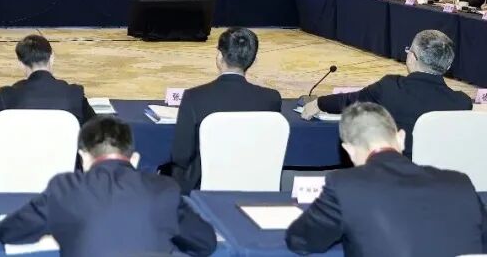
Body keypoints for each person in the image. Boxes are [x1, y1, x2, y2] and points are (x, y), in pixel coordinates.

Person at [286, 102, 487, 256]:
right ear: (401, 138)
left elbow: (300, 240)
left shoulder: (344, 186)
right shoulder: (459, 183)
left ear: (349, 150)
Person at [0, 117, 217, 257]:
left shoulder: (65, 189)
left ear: (83, 157)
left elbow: (9, 232)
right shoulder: (165, 190)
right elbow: (205, 243)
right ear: (134, 159)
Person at [300, 29, 472, 154]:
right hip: (438, 181)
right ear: (447, 66)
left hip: (392, 177)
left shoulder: (390, 87)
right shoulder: (462, 103)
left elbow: (350, 101)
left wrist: (319, 103)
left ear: (412, 58)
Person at [170, 28, 281, 193]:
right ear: (254, 61)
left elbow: (181, 155)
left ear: (219, 57)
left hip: (203, 190)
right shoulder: (271, 99)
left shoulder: (194, 97)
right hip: (255, 186)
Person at [0, 34, 95, 136]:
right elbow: (97, 128)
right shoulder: (74, 94)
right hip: (64, 158)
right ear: (52, 58)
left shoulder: (8, 96)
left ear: (21, 64)